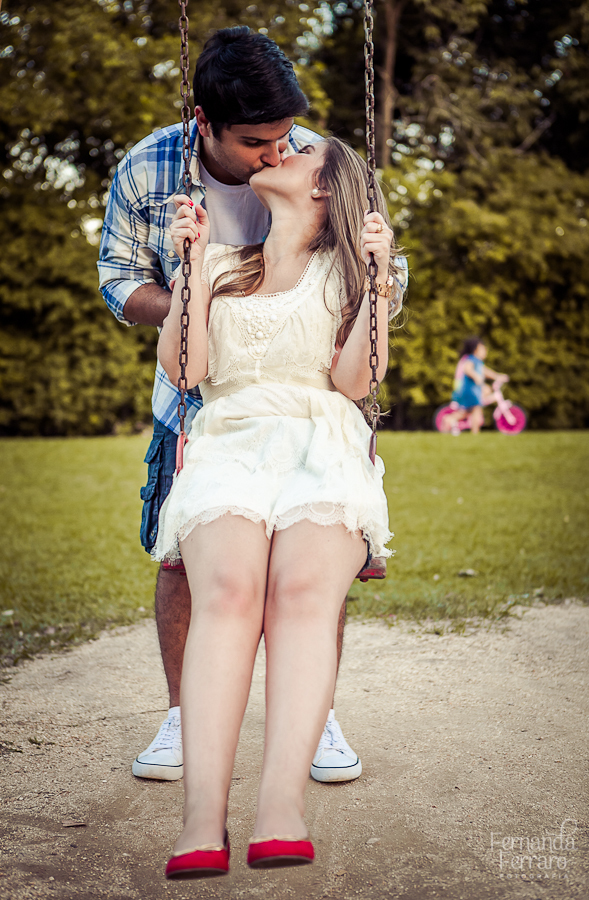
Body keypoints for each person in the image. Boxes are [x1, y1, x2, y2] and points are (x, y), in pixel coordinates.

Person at [98, 27, 367, 786]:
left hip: (304, 394)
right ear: (203, 119)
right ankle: (186, 712)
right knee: (184, 556)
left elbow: (378, 264)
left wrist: (363, 288)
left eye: (286, 139)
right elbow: (117, 275)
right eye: (255, 143)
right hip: (199, 394)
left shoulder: (310, 158)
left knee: (308, 559)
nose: (277, 156)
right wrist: (198, 303)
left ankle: (310, 712)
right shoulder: (150, 166)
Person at [155, 135, 402, 878]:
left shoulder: (346, 271)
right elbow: (188, 368)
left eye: (299, 154)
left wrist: (379, 276)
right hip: (229, 439)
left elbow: (358, 381)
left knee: (301, 597)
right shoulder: (223, 264)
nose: (277, 153)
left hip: (321, 442)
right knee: (227, 593)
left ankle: (279, 809)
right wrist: (190, 261)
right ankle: (202, 820)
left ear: (325, 190)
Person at [446, 337, 508, 434]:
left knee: (468, 412)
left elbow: (486, 371)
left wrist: (497, 376)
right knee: (476, 410)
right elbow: (467, 368)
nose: (485, 351)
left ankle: (450, 420)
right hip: (470, 391)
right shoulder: (471, 359)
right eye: (482, 349)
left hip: (473, 391)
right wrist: (476, 376)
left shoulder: (478, 362)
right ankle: (474, 433)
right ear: (475, 350)